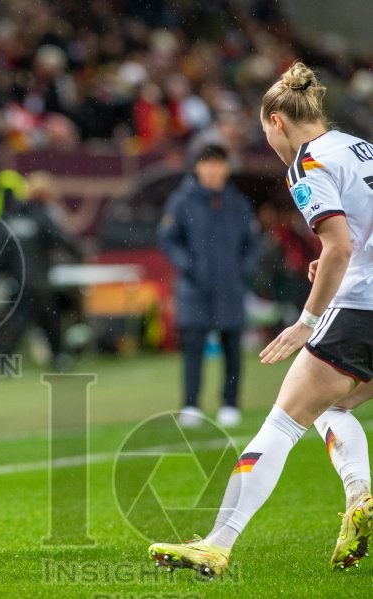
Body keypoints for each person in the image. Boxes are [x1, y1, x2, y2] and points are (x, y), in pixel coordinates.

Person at [148, 62, 373, 577]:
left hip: (362, 308)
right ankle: (359, 496)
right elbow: (352, 241)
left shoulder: (308, 163)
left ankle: (217, 542)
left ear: (276, 121)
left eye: (264, 131)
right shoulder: (362, 147)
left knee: (283, 421)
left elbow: (337, 245)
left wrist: (307, 321)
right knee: (333, 410)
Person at [158, 143, 260, 428]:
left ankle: (230, 403)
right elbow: (168, 238)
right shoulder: (182, 201)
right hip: (194, 290)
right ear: (197, 167)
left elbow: (252, 244)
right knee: (192, 347)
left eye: (218, 163)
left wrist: (243, 270)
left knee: (232, 347)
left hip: (230, 288)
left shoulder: (238, 203)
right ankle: (191, 404)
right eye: (207, 163)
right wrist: (188, 266)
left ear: (227, 167)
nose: (213, 169)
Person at [0, 171, 81, 369]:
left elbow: (0, 251)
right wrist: (79, 253)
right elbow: (59, 239)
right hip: (38, 279)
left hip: (18, 280)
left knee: (21, 319)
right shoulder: (40, 216)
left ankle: (3, 359)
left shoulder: (10, 216)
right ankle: (57, 357)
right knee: (48, 318)